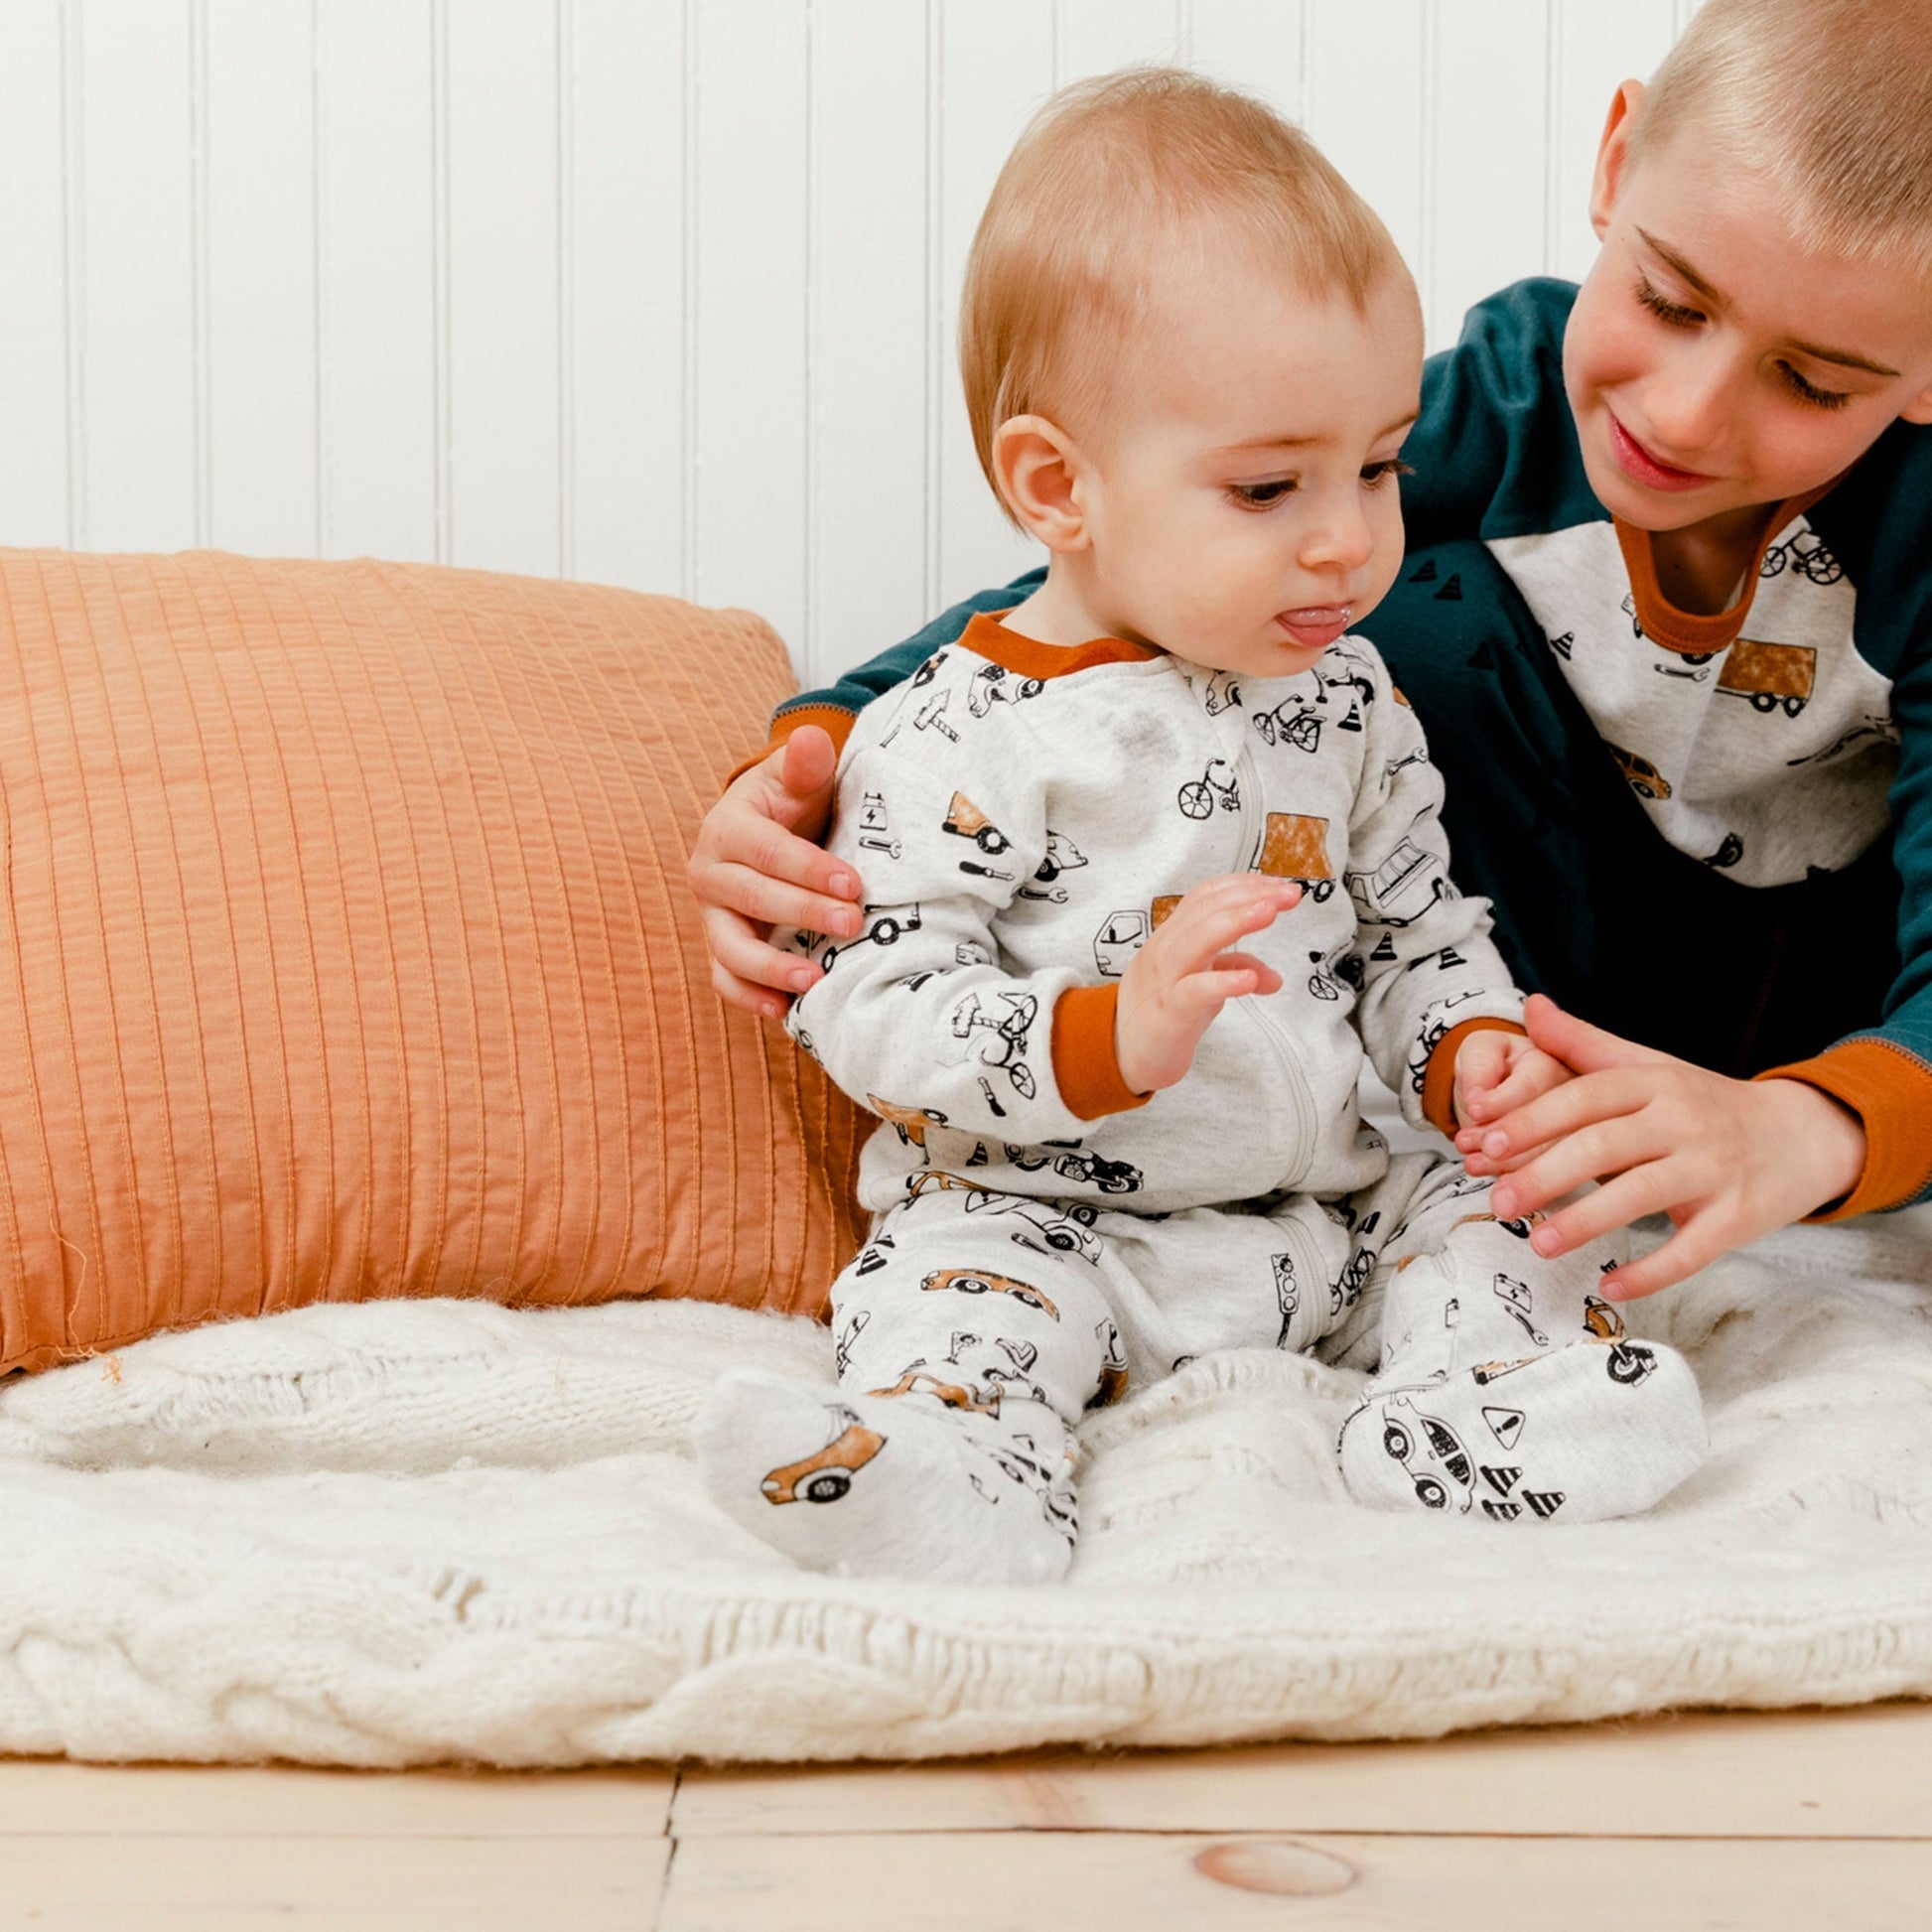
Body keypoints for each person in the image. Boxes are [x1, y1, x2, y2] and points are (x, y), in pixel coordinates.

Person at [689, 0, 1932, 1306]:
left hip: (1809, 1031)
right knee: (1359, 608)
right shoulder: (1494, 410)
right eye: (1668, 300)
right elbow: (1107, 580)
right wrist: (804, 760)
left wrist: (1804, 1128)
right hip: (1493, 1037)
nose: (1684, 413)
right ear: (1615, 163)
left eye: (1812, 381)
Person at [692, 70, 1706, 1587]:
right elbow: (872, 1006)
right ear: (1058, 488)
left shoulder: (1348, 701)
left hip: (1323, 1215)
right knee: (951, 1295)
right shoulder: (951, 733)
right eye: (1265, 486)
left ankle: (1475, 1412)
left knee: (1503, 1220)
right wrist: (1109, 1031)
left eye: (1376, 464)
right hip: (1051, 1217)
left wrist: (1461, 1049)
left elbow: (1418, 928)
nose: (1348, 536)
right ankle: (954, 1463)